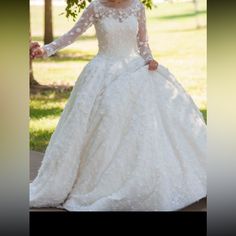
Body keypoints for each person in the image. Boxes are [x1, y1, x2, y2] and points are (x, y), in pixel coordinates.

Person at [30, 0, 207, 211]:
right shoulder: (95, 7)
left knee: (141, 127)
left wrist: (149, 59)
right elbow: (71, 35)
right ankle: (94, 181)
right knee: (105, 121)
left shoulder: (138, 7)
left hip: (133, 71)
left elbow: (142, 43)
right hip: (101, 73)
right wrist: (46, 49)